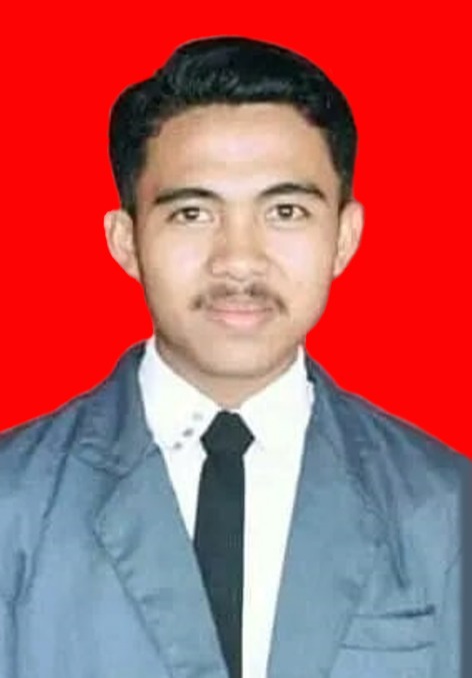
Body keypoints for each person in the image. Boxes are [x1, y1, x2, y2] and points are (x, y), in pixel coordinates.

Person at [0, 37, 464, 678]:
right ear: (126, 241)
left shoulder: (446, 507)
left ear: (344, 237)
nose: (239, 261)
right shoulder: (14, 503)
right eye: (193, 213)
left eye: (285, 211)